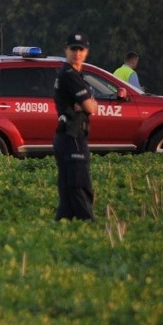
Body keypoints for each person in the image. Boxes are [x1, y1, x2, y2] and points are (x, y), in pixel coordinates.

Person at [53, 32, 98, 221]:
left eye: (81, 49)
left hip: (67, 136)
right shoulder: (70, 75)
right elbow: (91, 107)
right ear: (66, 50)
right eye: (73, 49)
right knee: (78, 183)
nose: (77, 53)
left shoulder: (75, 75)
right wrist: (89, 102)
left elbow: (90, 105)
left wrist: (89, 102)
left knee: (68, 184)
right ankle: (87, 222)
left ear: (86, 52)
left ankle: (63, 222)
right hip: (72, 136)